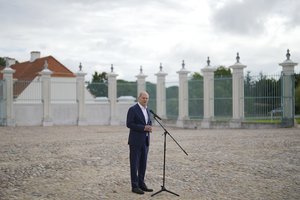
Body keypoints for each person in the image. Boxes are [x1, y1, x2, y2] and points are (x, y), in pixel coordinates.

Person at [126, 91, 153, 195]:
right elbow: (129, 124)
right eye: (143, 98)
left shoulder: (148, 110)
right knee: (134, 164)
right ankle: (135, 186)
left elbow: (148, 122)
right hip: (135, 141)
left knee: (143, 163)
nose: (145, 100)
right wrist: (143, 128)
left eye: (147, 98)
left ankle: (141, 183)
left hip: (145, 141)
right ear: (139, 98)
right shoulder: (133, 109)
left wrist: (149, 126)